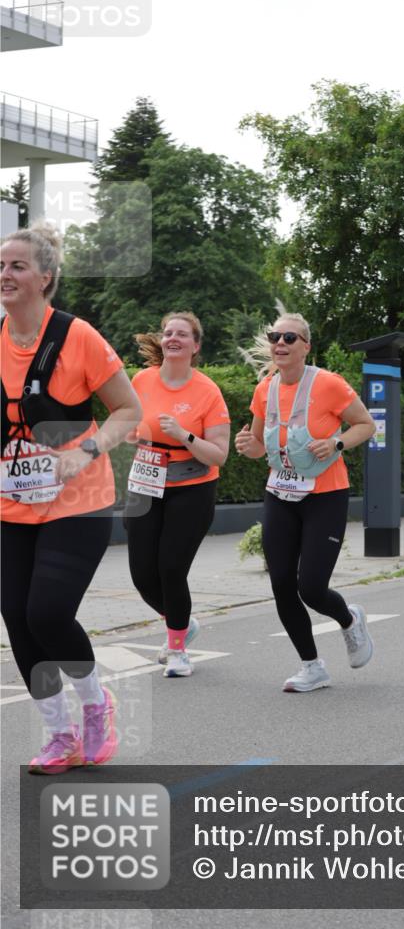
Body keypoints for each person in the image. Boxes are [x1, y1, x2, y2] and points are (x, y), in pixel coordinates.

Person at [0, 222, 141, 774]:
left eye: (16, 265)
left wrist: (84, 452)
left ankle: (94, 706)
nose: (4, 275)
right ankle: (58, 734)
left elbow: (128, 411)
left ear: (46, 277)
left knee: (49, 612)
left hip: (78, 500)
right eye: (0, 265)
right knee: (17, 617)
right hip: (12, 503)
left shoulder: (77, 337)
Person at [235, 313, 376, 692]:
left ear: (305, 347)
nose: (280, 343)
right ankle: (312, 666)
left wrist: (337, 442)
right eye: (275, 336)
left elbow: (366, 424)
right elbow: (260, 445)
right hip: (279, 493)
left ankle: (349, 620)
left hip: (325, 496)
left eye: (289, 338)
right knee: (282, 583)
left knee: (311, 587)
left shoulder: (328, 384)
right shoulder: (264, 388)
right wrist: (249, 448)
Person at [125, 312, 230, 678]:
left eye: (181, 334)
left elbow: (219, 454)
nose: (172, 338)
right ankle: (181, 623)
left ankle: (177, 650)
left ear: (195, 345)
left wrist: (185, 434)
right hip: (145, 481)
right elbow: (128, 421)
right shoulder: (141, 380)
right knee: (141, 574)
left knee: (171, 567)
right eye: (168, 332)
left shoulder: (207, 391)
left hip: (192, 486)